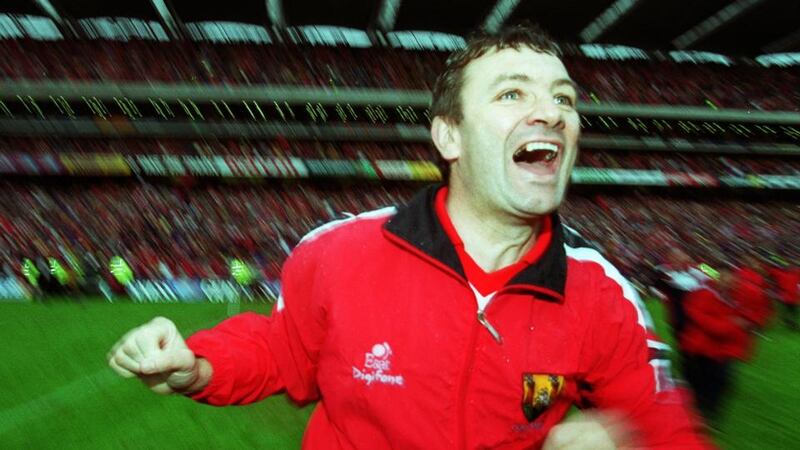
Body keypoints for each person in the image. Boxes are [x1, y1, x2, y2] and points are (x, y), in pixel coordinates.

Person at [108, 24, 710, 449]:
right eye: (512, 93)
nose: (551, 113)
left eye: (564, 99)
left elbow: (668, 428)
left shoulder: (601, 295)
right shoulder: (339, 251)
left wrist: (627, 441)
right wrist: (197, 365)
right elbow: (280, 350)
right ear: (449, 137)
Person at [679, 268, 750, 424]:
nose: (727, 282)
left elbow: (748, 320)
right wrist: (729, 324)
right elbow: (704, 321)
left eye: (731, 280)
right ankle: (700, 416)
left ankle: (708, 415)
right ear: (718, 278)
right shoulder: (704, 294)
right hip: (701, 349)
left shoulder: (738, 297)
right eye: (724, 278)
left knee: (721, 383)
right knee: (701, 384)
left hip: (722, 351)